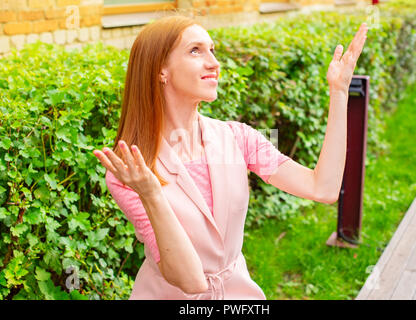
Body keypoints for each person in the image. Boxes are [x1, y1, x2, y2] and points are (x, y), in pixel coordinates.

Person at [93, 15, 368, 300]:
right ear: (160, 70)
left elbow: (321, 188)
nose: (214, 62)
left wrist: (339, 91)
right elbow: (189, 280)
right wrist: (151, 194)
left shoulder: (237, 138)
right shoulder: (129, 172)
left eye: (212, 49)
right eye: (195, 51)